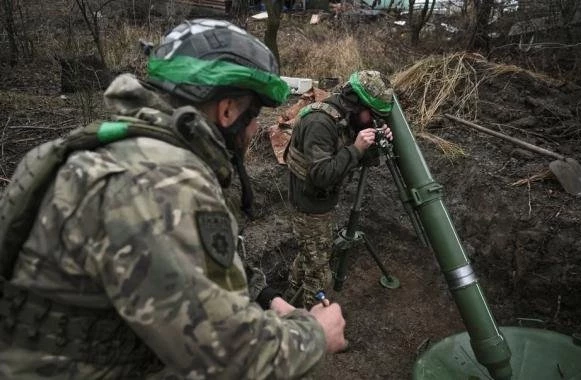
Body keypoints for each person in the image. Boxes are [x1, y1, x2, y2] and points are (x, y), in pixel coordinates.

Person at [0, 19, 346, 379]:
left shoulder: (90, 149)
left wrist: (265, 297)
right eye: (254, 115)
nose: (257, 128)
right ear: (227, 111)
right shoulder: (162, 184)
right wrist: (316, 334)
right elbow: (229, 358)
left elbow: (181, 262)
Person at [285, 70, 394, 308]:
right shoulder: (320, 122)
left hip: (322, 201)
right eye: (372, 116)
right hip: (309, 204)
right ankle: (308, 328)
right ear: (356, 103)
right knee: (319, 273)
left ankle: (287, 299)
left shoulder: (348, 116)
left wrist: (375, 142)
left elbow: (361, 160)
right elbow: (321, 175)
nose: (373, 121)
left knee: (311, 254)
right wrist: (356, 148)